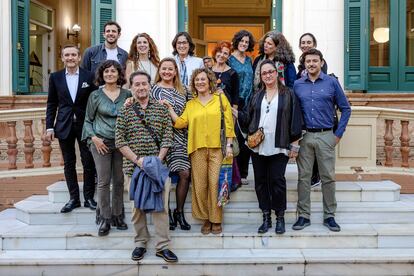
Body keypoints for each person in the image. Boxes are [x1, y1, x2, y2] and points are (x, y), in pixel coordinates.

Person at [162, 68, 235, 235]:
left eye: (203, 79)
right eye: (197, 80)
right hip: (196, 150)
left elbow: (229, 122)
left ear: (209, 81)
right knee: (200, 186)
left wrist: (229, 144)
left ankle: (216, 220)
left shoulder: (220, 98)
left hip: (218, 148)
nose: (200, 82)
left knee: (215, 184)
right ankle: (205, 219)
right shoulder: (191, 104)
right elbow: (181, 123)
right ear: (193, 84)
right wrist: (169, 108)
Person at [116, 71, 178, 263]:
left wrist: (157, 161)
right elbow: (120, 140)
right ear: (131, 87)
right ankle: (141, 242)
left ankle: (162, 246)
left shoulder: (160, 109)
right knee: (137, 208)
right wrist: (139, 161)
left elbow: (168, 136)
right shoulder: (125, 110)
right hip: (133, 168)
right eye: (137, 84)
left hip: (158, 167)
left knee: (161, 208)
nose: (141, 87)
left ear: (150, 86)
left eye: (144, 84)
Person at [237, 59, 302, 234]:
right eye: (264, 73)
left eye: (270, 72)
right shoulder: (257, 95)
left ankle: (279, 217)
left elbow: (295, 119)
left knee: (277, 181)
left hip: (279, 144)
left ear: (276, 73)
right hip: (258, 146)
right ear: (261, 76)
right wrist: (233, 111)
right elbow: (248, 117)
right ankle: (266, 217)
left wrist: (294, 145)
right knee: (260, 182)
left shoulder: (288, 94)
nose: (267, 75)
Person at [293, 48, 351, 232]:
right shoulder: (297, 85)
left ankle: (329, 216)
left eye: (314, 61)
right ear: (304, 64)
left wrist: (338, 134)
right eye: (308, 61)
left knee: (328, 177)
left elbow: (346, 108)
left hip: (327, 135)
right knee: (303, 177)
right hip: (304, 136)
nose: (311, 64)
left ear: (321, 62)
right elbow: (293, 113)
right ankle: (303, 215)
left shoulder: (332, 82)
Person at [45, 44, 97, 213]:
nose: (70, 58)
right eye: (67, 55)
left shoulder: (89, 76)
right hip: (64, 124)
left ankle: (89, 197)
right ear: (62, 58)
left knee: (88, 162)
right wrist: (49, 127)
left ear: (79, 57)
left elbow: (94, 102)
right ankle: (74, 198)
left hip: (85, 126)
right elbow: (52, 103)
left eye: (73, 55)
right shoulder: (55, 77)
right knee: (69, 163)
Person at [82, 60, 131, 236]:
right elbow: (88, 120)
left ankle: (118, 215)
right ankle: (104, 218)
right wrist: (94, 138)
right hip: (100, 143)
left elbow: (132, 118)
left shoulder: (127, 95)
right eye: (106, 72)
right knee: (103, 181)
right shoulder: (95, 95)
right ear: (102, 75)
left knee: (118, 181)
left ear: (119, 74)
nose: (110, 74)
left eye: (113, 71)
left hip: (121, 144)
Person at [151, 57, 192, 231]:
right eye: (164, 68)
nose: (167, 72)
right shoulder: (152, 89)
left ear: (176, 71)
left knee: (184, 173)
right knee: (163, 175)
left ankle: (179, 212)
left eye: (170, 69)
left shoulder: (184, 91)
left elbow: (194, 107)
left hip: (180, 136)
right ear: (159, 70)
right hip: (158, 138)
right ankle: (165, 214)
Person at [297, 32, 329, 188]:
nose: (305, 45)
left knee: (317, 148)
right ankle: (308, 176)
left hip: (317, 112)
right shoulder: (300, 64)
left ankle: (316, 176)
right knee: (306, 149)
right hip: (304, 110)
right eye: (303, 42)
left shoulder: (320, 62)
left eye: (308, 42)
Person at [211, 41, 240, 191]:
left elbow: (235, 97)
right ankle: (217, 176)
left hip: (226, 113)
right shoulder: (208, 71)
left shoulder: (232, 73)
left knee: (228, 146)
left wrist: (233, 117)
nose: (222, 55)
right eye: (220, 52)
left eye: (225, 53)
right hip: (210, 114)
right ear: (215, 53)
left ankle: (233, 179)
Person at [228, 29, 255, 186]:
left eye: (246, 42)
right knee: (235, 137)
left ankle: (244, 173)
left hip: (249, 103)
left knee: (247, 138)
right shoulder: (230, 60)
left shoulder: (249, 60)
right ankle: (235, 174)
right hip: (235, 102)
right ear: (236, 42)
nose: (244, 44)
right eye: (241, 41)